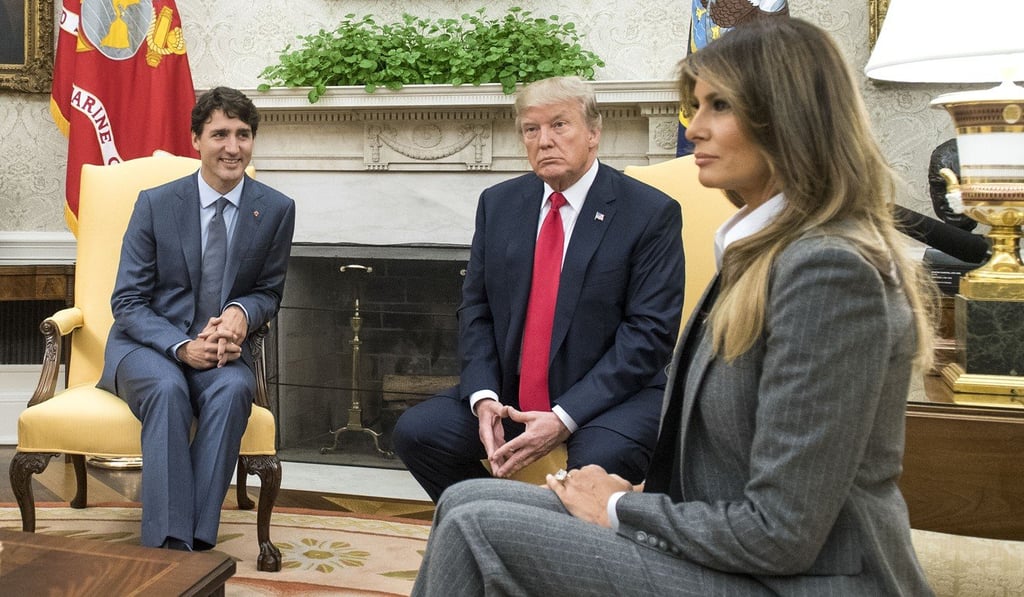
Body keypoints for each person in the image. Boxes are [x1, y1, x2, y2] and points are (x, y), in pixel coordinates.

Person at [410, 18, 937, 596]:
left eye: (718, 106)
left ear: (786, 118)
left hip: (796, 580)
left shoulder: (827, 271)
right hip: (726, 544)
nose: (696, 127)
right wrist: (631, 497)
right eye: (695, 106)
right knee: (464, 498)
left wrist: (617, 507)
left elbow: (782, 533)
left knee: (473, 525)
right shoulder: (758, 250)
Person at [393, 76, 685, 502]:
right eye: (532, 129)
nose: (544, 141)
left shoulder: (649, 213)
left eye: (559, 125)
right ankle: (495, 525)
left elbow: (649, 335)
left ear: (593, 132)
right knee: (417, 432)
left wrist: (565, 417)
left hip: (609, 400)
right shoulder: (499, 203)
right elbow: (476, 309)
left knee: (597, 463)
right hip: (512, 396)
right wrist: (484, 397)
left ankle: (556, 552)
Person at [98, 86, 296, 551]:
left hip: (224, 353)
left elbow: (268, 291)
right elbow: (127, 301)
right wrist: (181, 347)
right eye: (220, 134)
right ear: (196, 139)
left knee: (232, 390)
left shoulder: (275, 209)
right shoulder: (156, 203)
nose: (233, 147)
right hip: (148, 346)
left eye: (243, 135)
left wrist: (240, 313)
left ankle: (198, 541)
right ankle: (170, 545)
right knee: (167, 389)